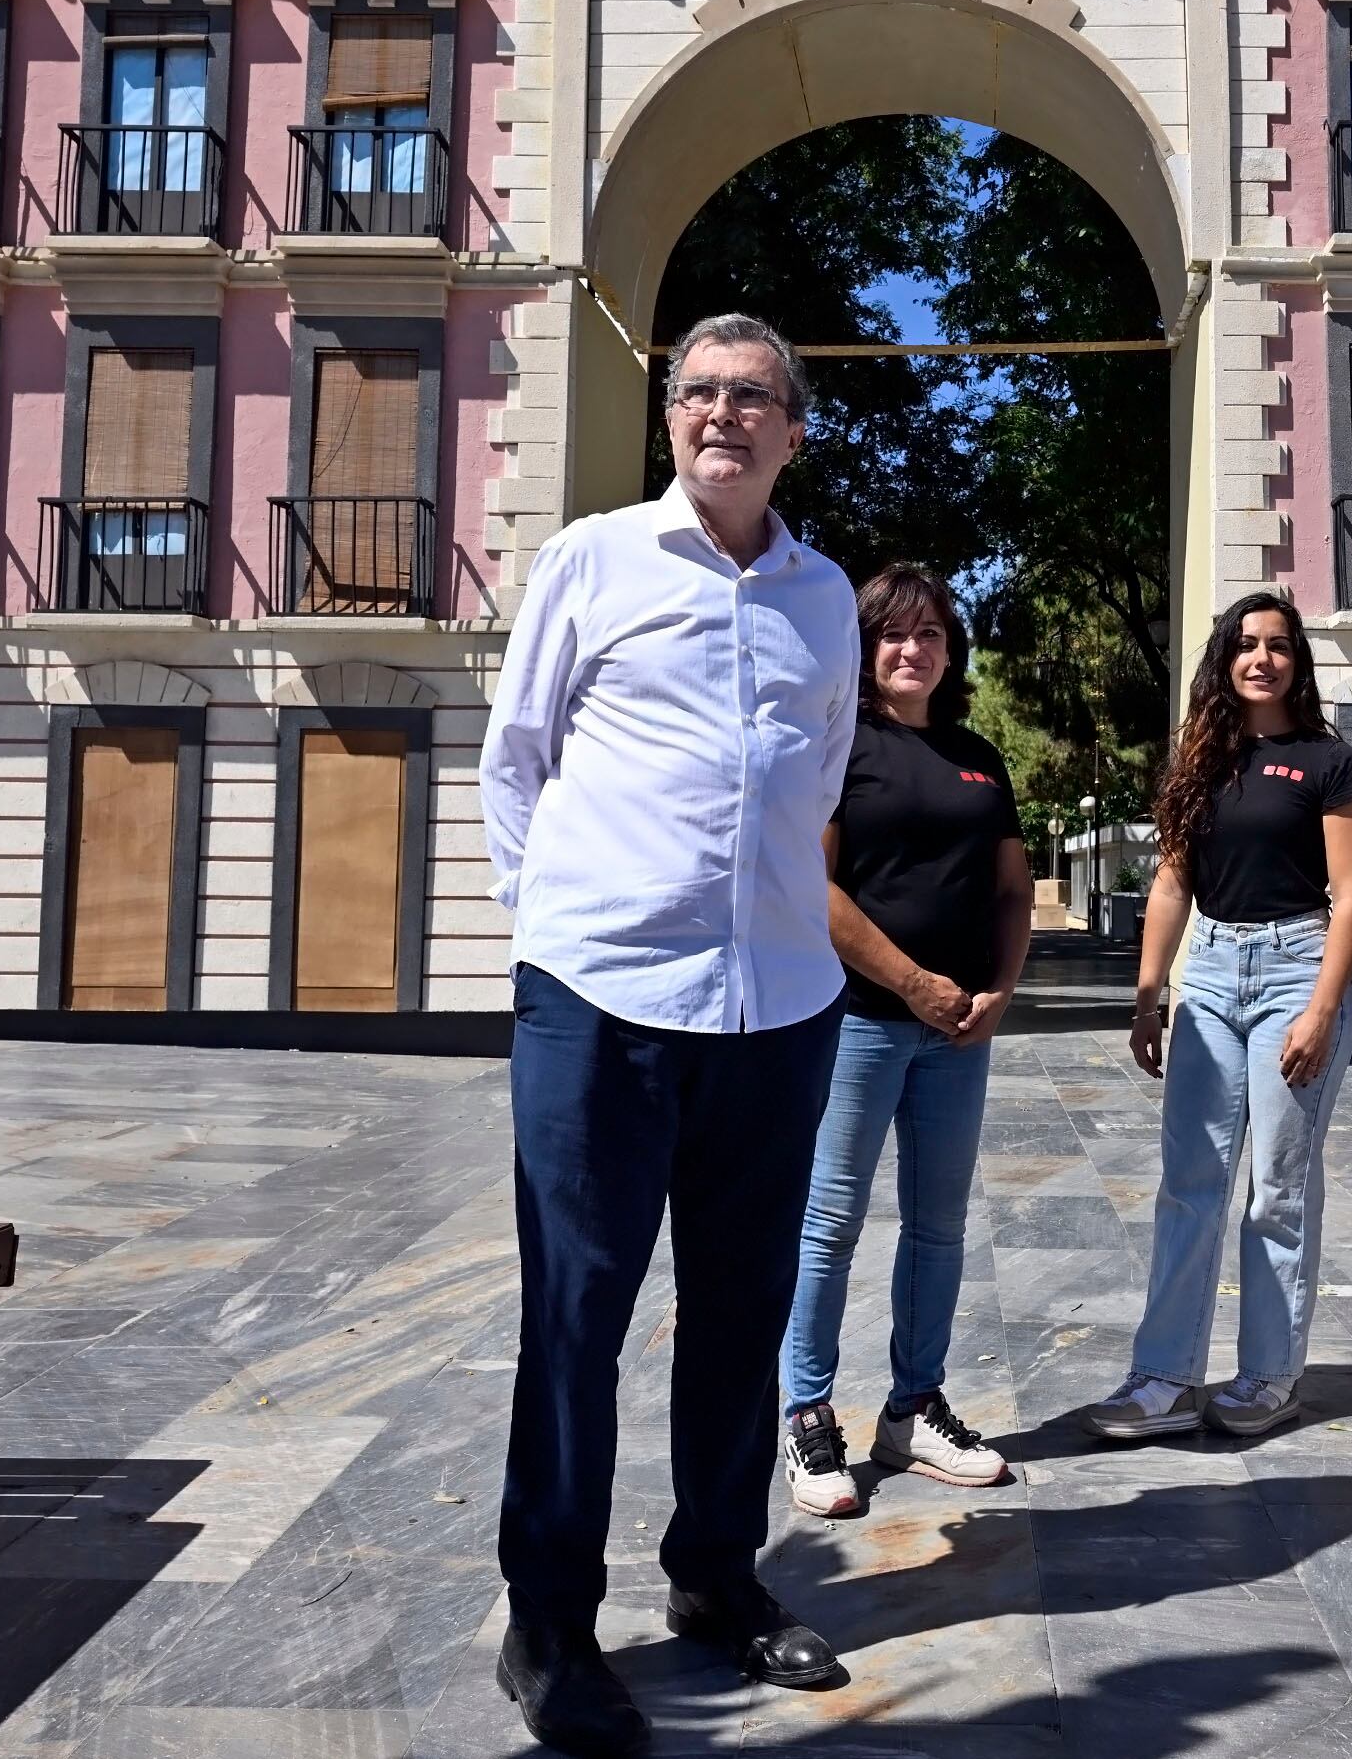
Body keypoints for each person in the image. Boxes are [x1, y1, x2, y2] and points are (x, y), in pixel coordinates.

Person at [478, 312, 860, 1758]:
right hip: (601, 1003)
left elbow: (814, 772)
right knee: (576, 1318)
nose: (721, 415)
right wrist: (558, 930)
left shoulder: (824, 594)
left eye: (752, 396)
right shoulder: (590, 560)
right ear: (672, 420)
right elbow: (516, 759)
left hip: (775, 1005)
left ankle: (714, 1572)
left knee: (743, 1311)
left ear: (793, 430)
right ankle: (551, 1623)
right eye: (697, 392)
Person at [1087, 590, 1352, 1441]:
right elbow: (1172, 884)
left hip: (1298, 967)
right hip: (1209, 973)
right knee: (1189, 1185)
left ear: (1297, 662)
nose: (1262, 658)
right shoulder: (1200, 761)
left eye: (1279, 645)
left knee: (1276, 1194)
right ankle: (1166, 1379)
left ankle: (1270, 1377)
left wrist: (1323, 1010)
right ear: (1226, 658)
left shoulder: (1329, 762)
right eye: (1246, 645)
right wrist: (1149, 994)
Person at [778, 565, 1032, 1518]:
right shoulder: (841, 748)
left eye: (930, 633)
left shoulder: (979, 755)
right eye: (893, 633)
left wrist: (999, 991)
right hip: (862, 1025)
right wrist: (913, 983)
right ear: (865, 645)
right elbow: (817, 887)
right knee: (830, 1224)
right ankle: (806, 1415)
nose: (913, 649)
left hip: (959, 1036)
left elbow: (1012, 889)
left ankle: (913, 1409)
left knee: (938, 1226)